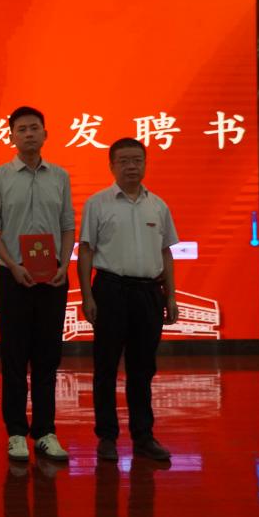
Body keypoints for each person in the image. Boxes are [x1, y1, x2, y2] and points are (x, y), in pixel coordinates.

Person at [0, 106, 74, 462]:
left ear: (45, 134)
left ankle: (46, 431)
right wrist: (13, 265)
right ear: (11, 136)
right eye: (21, 129)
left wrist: (63, 264)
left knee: (48, 356)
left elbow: (67, 225)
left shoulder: (60, 176)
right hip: (13, 276)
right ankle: (17, 433)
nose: (29, 134)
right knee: (15, 356)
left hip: (53, 275)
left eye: (35, 128)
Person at [78, 138, 178, 463]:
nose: (131, 166)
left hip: (149, 293)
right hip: (111, 290)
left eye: (137, 160)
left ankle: (143, 435)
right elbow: (87, 251)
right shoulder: (97, 203)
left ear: (145, 164)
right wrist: (87, 295)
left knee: (143, 368)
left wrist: (171, 296)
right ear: (111, 166)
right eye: (124, 161)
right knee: (105, 366)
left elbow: (166, 252)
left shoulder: (158, 206)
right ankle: (107, 437)